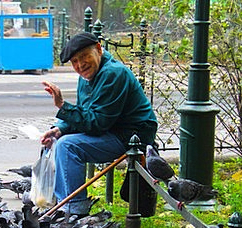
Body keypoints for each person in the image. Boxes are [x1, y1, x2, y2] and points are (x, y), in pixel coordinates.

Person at [40, 32, 158, 217]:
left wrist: (62, 105)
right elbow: (84, 110)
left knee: (68, 146)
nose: (80, 65)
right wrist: (59, 129)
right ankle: (63, 204)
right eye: (74, 62)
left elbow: (97, 123)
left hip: (131, 136)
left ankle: (74, 211)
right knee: (55, 139)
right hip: (112, 129)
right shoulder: (88, 75)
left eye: (84, 57)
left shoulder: (113, 74)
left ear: (98, 49)